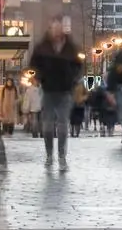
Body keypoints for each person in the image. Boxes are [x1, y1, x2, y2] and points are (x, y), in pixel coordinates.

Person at [25, 18, 81, 170]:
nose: (56, 32)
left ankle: (62, 156)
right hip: (48, 90)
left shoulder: (70, 47)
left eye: (58, 29)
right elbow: (33, 63)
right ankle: (49, 155)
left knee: (63, 124)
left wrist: (73, 80)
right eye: (53, 29)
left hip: (65, 90)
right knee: (48, 126)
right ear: (50, 30)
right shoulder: (43, 47)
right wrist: (39, 77)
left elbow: (78, 65)